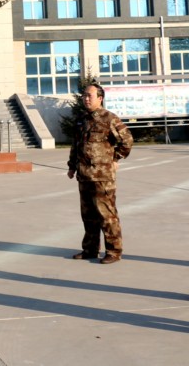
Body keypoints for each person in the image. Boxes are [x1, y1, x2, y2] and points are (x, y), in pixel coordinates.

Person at [67, 83, 133, 264]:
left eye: (90, 95)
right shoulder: (81, 120)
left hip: (102, 177)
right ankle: (90, 249)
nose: (86, 99)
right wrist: (72, 166)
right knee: (88, 216)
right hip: (84, 175)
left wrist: (115, 158)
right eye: (84, 96)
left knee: (107, 215)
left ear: (100, 98)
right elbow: (76, 145)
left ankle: (114, 251)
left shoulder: (109, 118)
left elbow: (127, 140)